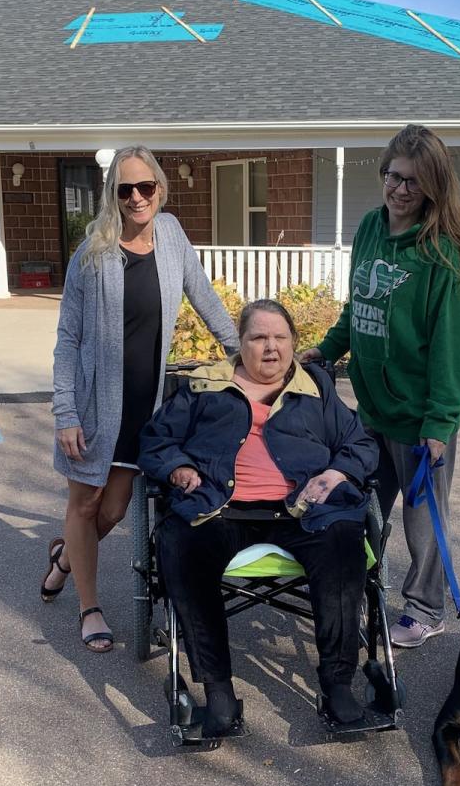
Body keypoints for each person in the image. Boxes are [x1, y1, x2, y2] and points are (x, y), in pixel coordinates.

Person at [138, 299, 378, 735]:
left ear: (293, 343)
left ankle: (338, 686)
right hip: (218, 507)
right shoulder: (203, 386)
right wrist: (178, 466)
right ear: (241, 344)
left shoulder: (315, 387)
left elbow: (360, 444)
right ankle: (219, 691)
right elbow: (155, 440)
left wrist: (335, 472)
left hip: (305, 510)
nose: (271, 347)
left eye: (280, 337)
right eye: (259, 337)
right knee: (182, 545)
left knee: (344, 541)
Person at [43, 145, 238, 652]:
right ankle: (90, 608)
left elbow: (204, 295)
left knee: (114, 508)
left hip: (145, 408)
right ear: (113, 193)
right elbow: (68, 338)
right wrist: (64, 411)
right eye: (124, 189)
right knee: (84, 505)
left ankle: (65, 560)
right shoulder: (93, 253)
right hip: (92, 404)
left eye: (144, 187)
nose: (136, 197)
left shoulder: (171, 235)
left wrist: (245, 352)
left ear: (159, 188)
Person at [301, 124, 460, 648]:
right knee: (357, 508)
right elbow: (360, 306)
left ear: (432, 190)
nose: (400, 190)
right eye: (394, 177)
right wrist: (328, 349)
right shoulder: (373, 228)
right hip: (371, 411)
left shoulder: (440, 254)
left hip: (421, 420)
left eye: (414, 184)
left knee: (423, 524)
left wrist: (440, 423)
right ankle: (358, 590)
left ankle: (425, 608)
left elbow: (451, 349)